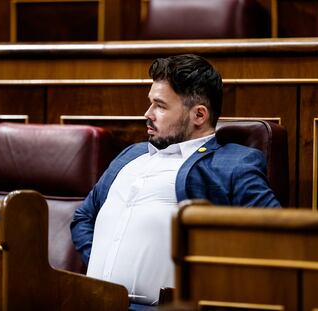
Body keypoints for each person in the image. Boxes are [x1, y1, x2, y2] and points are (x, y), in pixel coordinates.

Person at [71, 54, 280, 307]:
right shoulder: (131, 155)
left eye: (160, 105)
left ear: (199, 115)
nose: (147, 114)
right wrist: (107, 271)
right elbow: (83, 217)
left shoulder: (234, 163)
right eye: (150, 103)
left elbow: (274, 237)